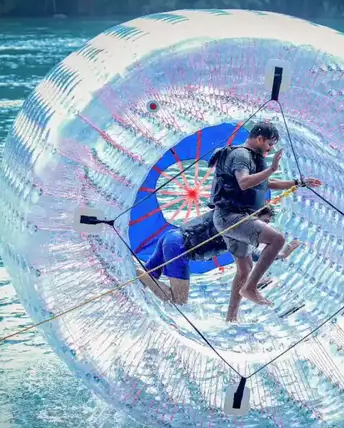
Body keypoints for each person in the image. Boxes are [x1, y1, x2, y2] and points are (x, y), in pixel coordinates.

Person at [208, 121, 321, 321]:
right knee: (277, 239)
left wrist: (298, 182)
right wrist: (272, 168)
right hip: (231, 217)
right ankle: (251, 288)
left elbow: (267, 183)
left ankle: (231, 318)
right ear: (259, 139)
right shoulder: (242, 156)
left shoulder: (252, 158)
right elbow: (244, 183)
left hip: (231, 217)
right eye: (269, 144)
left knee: (243, 270)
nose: (270, 149)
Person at [136, 205, 301, 304]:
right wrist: (281, 254)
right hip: (180, 247)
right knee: (178, 301)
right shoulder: (239, 228)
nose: (264, 229)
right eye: (264, 223)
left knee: (144, 283)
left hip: (171, 237)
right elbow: (256, 256)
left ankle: (135, 273)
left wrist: (283, 253)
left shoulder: (228, 214)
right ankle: (138, 272)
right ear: (254, 217)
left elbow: (254, 254)